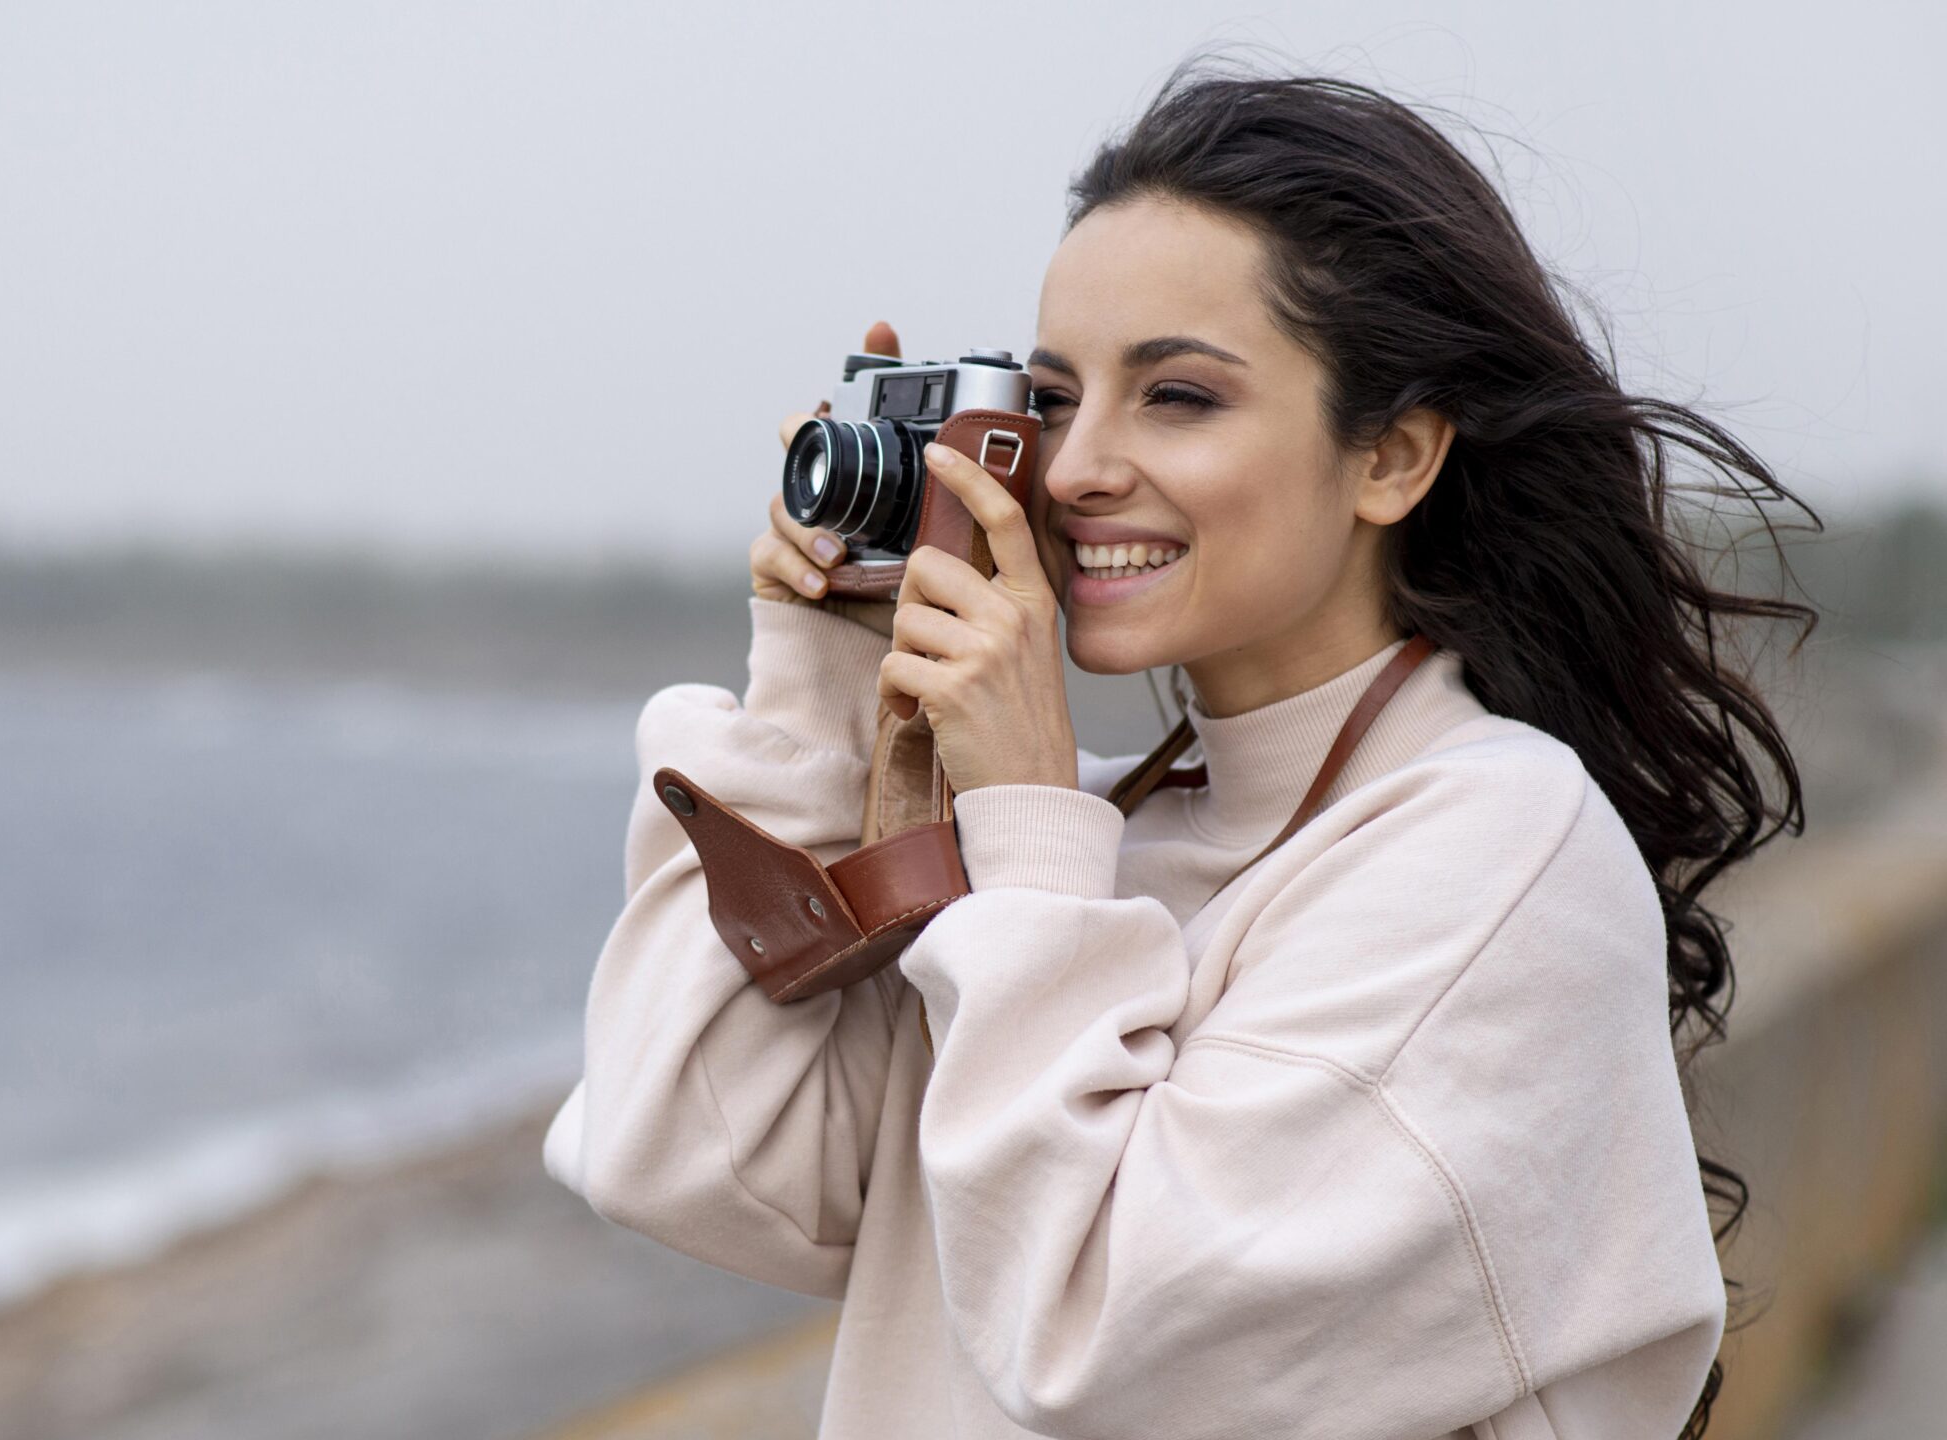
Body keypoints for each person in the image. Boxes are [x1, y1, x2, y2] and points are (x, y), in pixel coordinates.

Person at [543, 60, 1812, 1440]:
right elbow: (685, 1150)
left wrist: (1027, 825)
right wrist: (822, 686)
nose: (1077, 468)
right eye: (1051, 396)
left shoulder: (1499, 855)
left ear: (1392, 457)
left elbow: (1113, 1349)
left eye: (1179, 398)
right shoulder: (1091, 858)